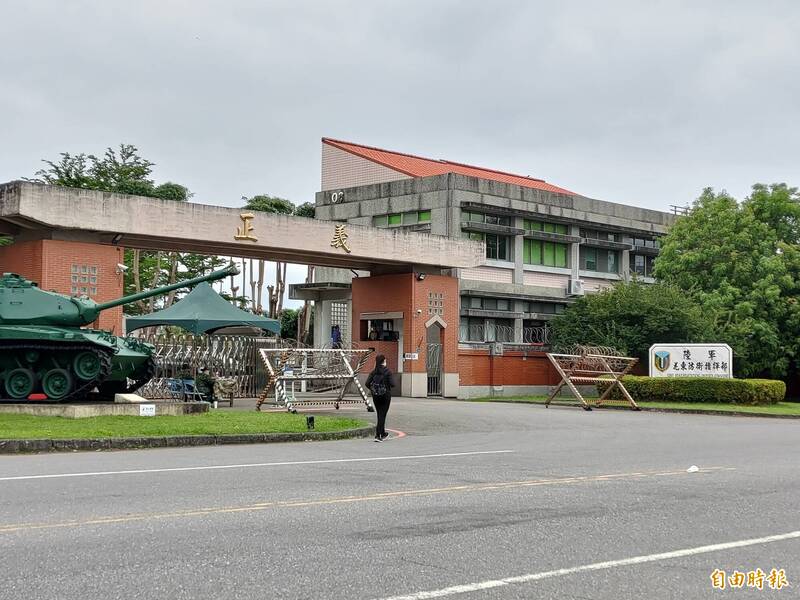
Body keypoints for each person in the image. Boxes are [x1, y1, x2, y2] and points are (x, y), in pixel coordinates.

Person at [365, 354, 394, 442]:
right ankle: (378, 435)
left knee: (379, 414)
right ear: (384, 361)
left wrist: (373, 390)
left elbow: (367, 383)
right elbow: (393, 384)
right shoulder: (388, 371)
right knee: (383, 415)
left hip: (376, 396)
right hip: (386, 395)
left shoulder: (373, 372)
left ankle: (383, 433)